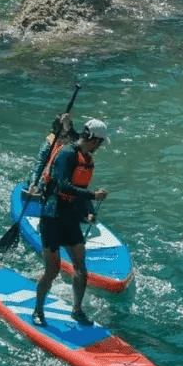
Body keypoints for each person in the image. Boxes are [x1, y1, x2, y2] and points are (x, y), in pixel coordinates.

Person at [32, 118, 110, 326]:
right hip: (52, 216)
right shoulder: (67, 154)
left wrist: (89, 211)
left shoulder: (87, 159)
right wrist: (93, 195)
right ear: (92, 139)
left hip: (71, 218)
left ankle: (77, 310)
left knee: (81, 267)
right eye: (100, 142)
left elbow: (80, 187)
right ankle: (38, 310)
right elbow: (63, 187)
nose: (100, 147)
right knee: (52, 269)